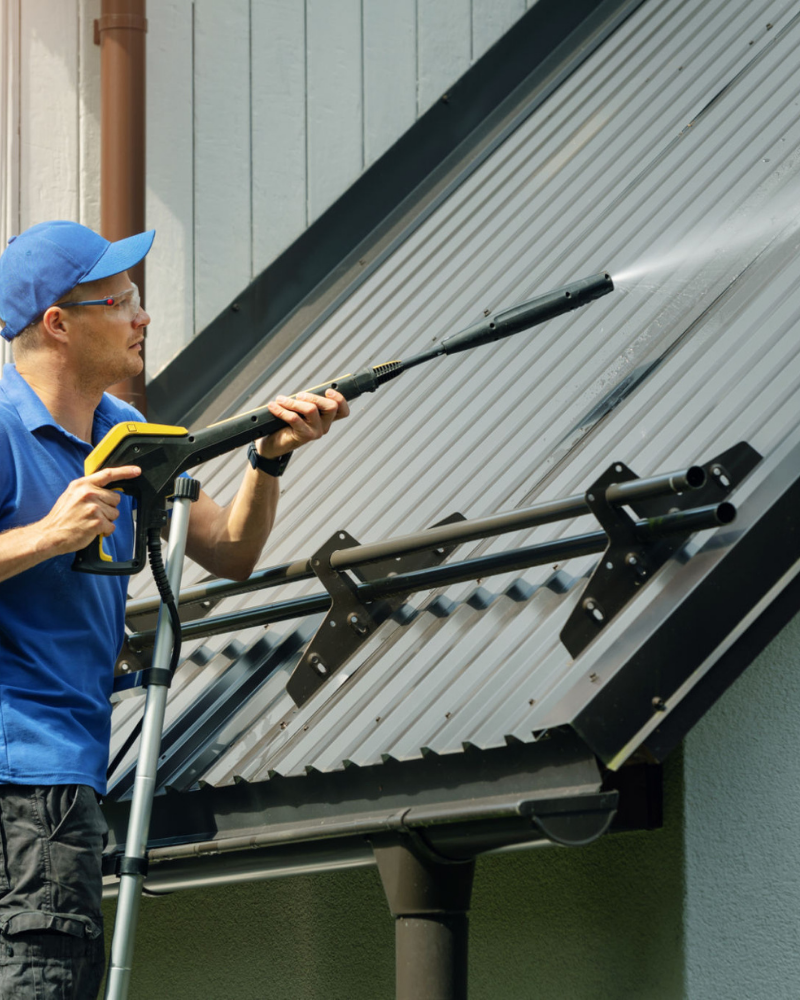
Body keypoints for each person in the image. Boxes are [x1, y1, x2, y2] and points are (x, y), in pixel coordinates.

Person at [0, 220, 349, 997]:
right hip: (21, 774)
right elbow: (44, 542)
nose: (143, 317)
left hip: (66, 771)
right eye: (122, 301)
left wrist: (270, 457)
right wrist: (48, 536)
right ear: (60, 323)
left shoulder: (127, 434)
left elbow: (229, 550)